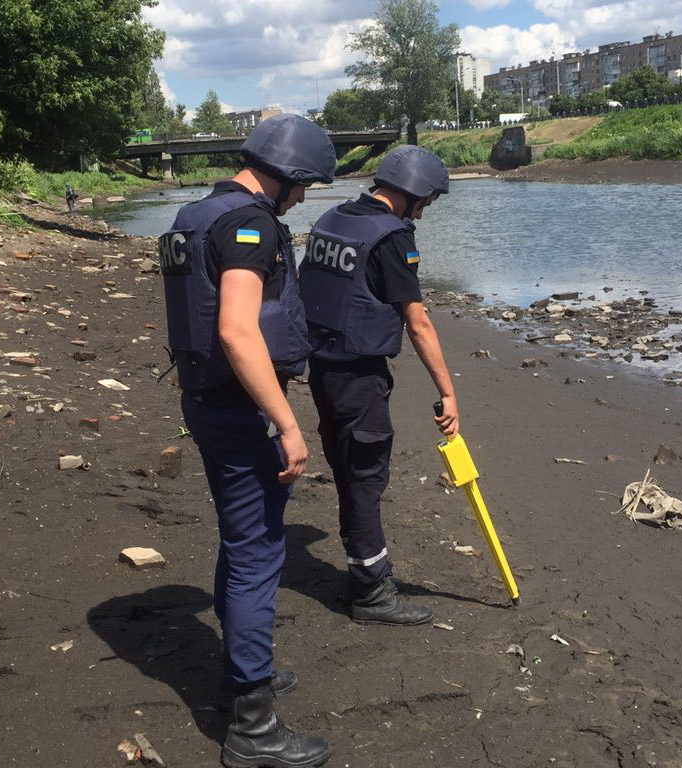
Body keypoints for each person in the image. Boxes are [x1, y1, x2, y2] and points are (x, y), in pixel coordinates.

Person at [158, 113, 335, 768]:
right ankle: (254, 727)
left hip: (206, 401)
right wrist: (288, 423)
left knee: (243, 541)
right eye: (306, 184)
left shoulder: (198, 214)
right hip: (236, 410)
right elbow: (237, 330)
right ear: (286, 173)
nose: (306, 196)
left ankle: (242, 673)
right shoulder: (248, 224)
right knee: (260, 551)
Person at [298, 145, 458, 626]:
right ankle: (370, 590)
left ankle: (360, 569)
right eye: (427, 202)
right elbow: (418, 322)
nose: (425, 212)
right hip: (358, 377)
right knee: (365, 475)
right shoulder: (391, 238)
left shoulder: (334, 217)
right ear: (412, 195)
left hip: (322, 367)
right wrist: (448, 391)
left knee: (349, 471)